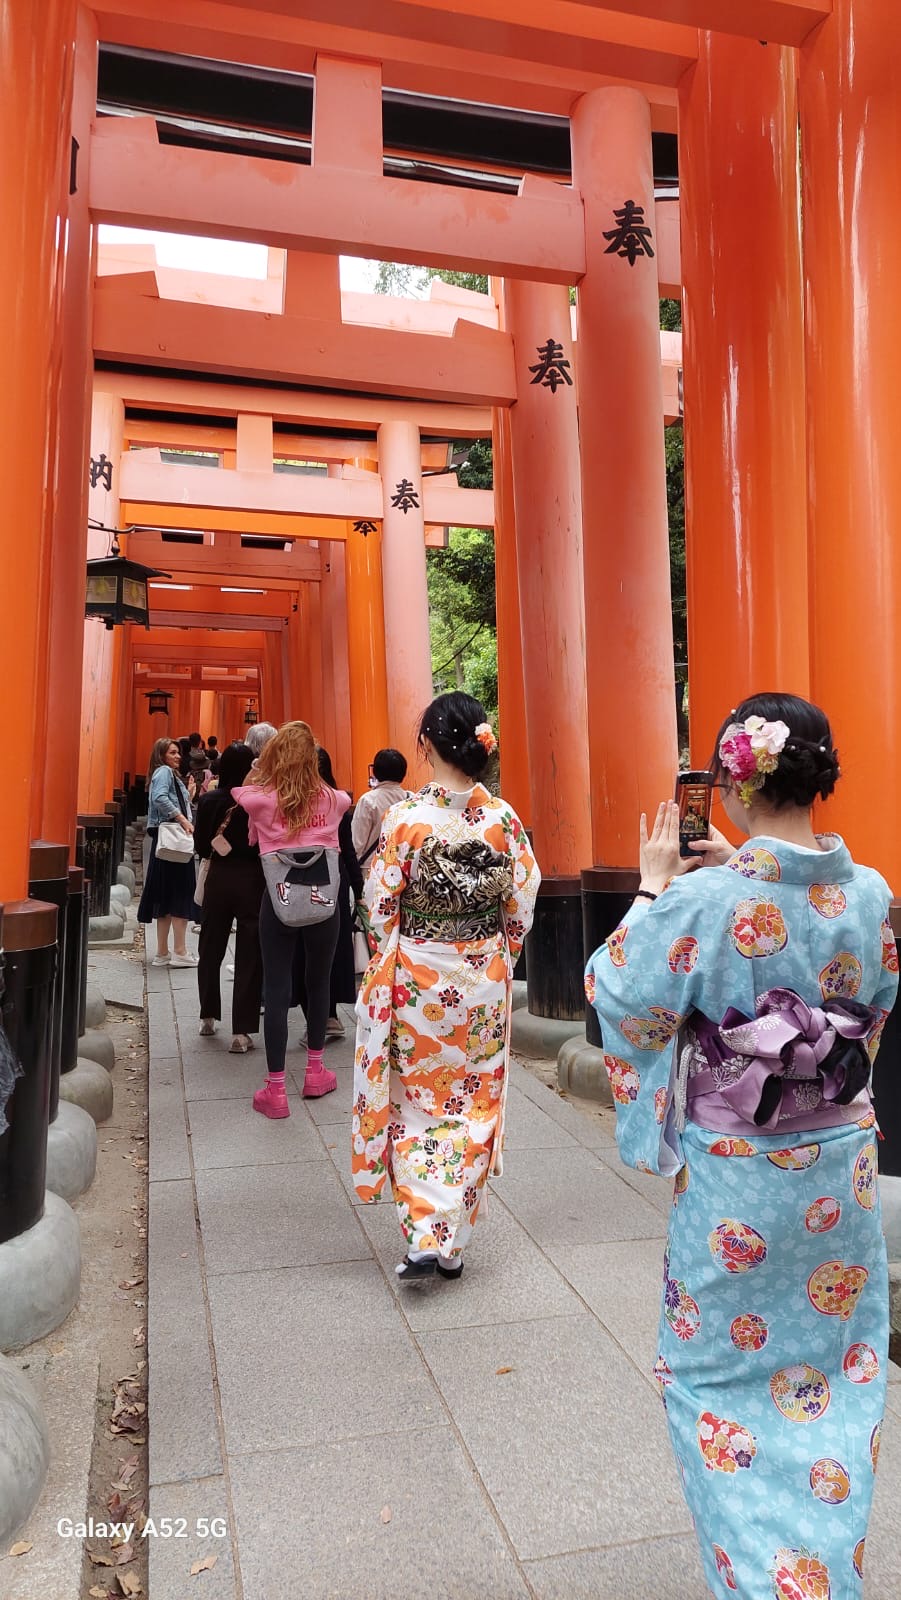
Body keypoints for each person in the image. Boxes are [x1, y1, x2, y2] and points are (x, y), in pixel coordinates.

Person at [585, 693, 898, 1599]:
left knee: (715, 1382)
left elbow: (616, 992)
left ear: (732, 779)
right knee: (834, 1372)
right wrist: (744, 871)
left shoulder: (700, 899)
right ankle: (820, 1568)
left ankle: (769, 1582)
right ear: (818, 775)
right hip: (840, 1167)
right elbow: (871, 1006)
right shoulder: (870, 891)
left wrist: (653, 888)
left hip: (740, 1184)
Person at [351, 691, 540, 1281]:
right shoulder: (503, 820)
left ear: (426, 745)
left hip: (419, 980)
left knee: (417, 1103)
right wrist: (496, 954)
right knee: (475, 1102)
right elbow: (522, 903)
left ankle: (424, 1235)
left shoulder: (406, 819)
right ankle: (452, 1242)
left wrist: (394, 956)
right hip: (482, 981)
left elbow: (380, 905)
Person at [232, 721, 351, 1117]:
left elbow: (240, 791)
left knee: (278, 987)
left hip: (278, 902)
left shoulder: (263, 801)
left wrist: (263, 768)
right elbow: (343, 796)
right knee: (318, 983)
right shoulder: (334, 800)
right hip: (324, 905)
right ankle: (315, 1071)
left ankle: (276, 1089)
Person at [195, 741, 264, 1054]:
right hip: (252, 879)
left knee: (210, 947)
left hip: (218, 877)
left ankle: (208, 1015)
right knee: (250, 953)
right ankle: (241, 1031)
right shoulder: (256, 801)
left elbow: (200, 845)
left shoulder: (209, 800)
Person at [293, 747, 363, 1042]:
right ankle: (330, 1015)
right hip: (336, 880)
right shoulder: (337, 800)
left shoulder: (294, 802)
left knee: (303, 950)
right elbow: (348, 850)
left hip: (302, 878)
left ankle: (317, 1020)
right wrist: (359, 890)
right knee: (332, 948)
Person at [137, 737, 198, 967]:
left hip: (164, 844)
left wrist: (188, 795)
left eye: (178, 752)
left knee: (164, 897)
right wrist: (183, 819)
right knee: (181, 893)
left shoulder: (164, 774)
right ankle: (180, 950)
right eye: (172, 752)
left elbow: (166, 799)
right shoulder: (164, 772)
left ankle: (162, 952)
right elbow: (160, 798)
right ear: (161, 755)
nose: (178, 756)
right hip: (174, 842)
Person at [351, 747, 409, 867]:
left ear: (375, 771)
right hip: (403, 866)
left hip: (373, 867)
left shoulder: (368, 801)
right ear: (403, 772)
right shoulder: (411, 799)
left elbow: (356, 843)